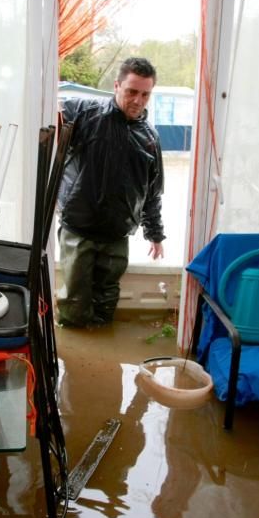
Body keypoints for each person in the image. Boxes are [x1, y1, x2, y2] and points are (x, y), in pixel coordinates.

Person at [56, 57, 165, 328]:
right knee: (74, 299)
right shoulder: (84, 112)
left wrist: (155, 234)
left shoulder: (150, 137)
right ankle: (74, 357)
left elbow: (152, 191)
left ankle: (102, 339)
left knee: (107, 295)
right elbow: (45, 103)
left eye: (145, 94)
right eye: (131, 91)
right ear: (116, 86)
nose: (138, 100)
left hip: (118, 233)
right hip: (78, 227)